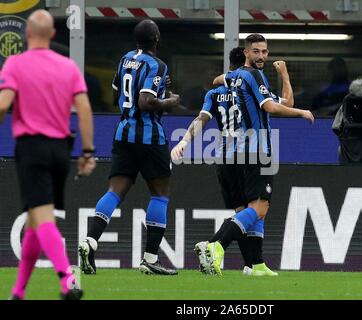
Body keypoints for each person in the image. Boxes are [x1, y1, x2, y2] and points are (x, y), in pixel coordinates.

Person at [187, 34, 314, 276]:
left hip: (231, 154)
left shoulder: (233, 78)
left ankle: (254, 264)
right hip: (257, 150)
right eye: (256, 51)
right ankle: (215, 245)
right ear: (246, 53)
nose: (262, 56)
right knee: (260, 207)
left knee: (246, 211)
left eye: (265, 52)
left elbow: (217, 80)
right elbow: (274, 106)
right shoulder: (254, 76)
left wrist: (282, 76)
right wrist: (301, 112)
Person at [0, 10, 96, 300]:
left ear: (27, 34)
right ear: (53, 34)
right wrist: (88, 151)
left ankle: (66, 277)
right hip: (61, 151)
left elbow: (3, 105)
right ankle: (18, 291)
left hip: (32, 149)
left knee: (42, 218)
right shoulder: (68, 66)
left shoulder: (15, 64)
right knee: (34, 218)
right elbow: (85, 110)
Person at [78, 19, 180, 276]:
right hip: (149, 137)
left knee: (115, 191)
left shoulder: (126, 59)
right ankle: (150, 259)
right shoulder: (157, 64)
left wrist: (155, 91)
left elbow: (116, 96)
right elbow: (146, 102)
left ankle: (90, 241)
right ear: (156, 38)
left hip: (123, 133)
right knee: (160, 194)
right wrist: (170, 101)